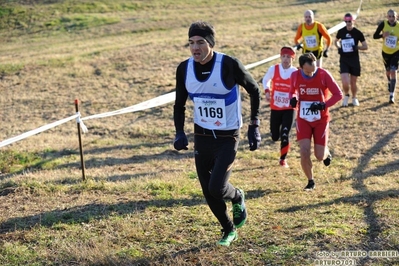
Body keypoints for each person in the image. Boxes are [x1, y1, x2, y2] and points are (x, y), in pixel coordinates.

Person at [173, 21, 261, 247]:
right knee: (207, 191)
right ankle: (228, 229)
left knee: (217, 187)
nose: (195, 48)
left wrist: (254, 124)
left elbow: (254, 89)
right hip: (202, 136)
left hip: (227, 136)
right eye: (191, 43)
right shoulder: (184, 68)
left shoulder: (229, 65)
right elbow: (179, 103)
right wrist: (179, 132)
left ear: (210, 43)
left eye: (200, 42)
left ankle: (238, 196)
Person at [289, 53, 343, 191]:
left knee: (319, 156)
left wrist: (324, 105)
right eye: (308, 71)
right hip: (303, 118)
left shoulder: (324, 74)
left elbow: (338, 94)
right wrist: (293, 99)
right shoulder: (295, 75)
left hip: (321, 119)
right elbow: (292, 91)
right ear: (301, 68)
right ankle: (310, 181)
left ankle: (326, 152)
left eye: (313, 69)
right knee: (304, 151)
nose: (311, 73)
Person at [262, 46, 297, 168]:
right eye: (284, 56)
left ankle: (283, 159)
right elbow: (265, 79)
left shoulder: (295, 72)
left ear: (293, 58)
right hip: (276, 107)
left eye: (289, 57)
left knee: (285, 133)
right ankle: (276, 136)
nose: (286, 59)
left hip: (289, 108)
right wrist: (267, 90)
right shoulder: (274, 69)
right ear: (280, 57)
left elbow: (299, 87)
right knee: (275, 135)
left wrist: (295, 97)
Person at [335, 13, 368, 107]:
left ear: (353, 21)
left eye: (349, 21)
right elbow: (336, 41)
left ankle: (354, 97)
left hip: (354, 60)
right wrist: (339, 48)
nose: (348, 23)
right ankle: (346, 95)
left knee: (353, 82)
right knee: (345, 81)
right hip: (344, 60)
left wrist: (357, 47)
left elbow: (365, 46)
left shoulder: (358, 33)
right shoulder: (341, 31)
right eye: (346, 21)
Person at [373, 9, 399, 104]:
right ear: (387, 17)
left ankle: (391, 95)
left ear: (396, 17)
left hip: (396, 52)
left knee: (393, 71)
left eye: (393, 16)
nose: (391, 18)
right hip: (385, 52)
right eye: (390, 16)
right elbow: (374, 36)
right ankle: (389, 82)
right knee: (388, 72)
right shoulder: (383, 24)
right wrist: (382, 35)